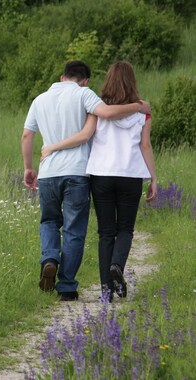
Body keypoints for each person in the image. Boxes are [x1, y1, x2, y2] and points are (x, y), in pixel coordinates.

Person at [21, 60, 151, 301]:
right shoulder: (84, 95)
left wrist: (29, 167)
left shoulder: (39, 99)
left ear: (62, 77)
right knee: (74, 231)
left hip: (48, 172)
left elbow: (27, 134)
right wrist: (139, 106)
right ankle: (67, 287)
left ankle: (49, 258)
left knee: (49, 220)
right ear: (86, 81)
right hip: (78, 173)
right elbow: (105, 118)